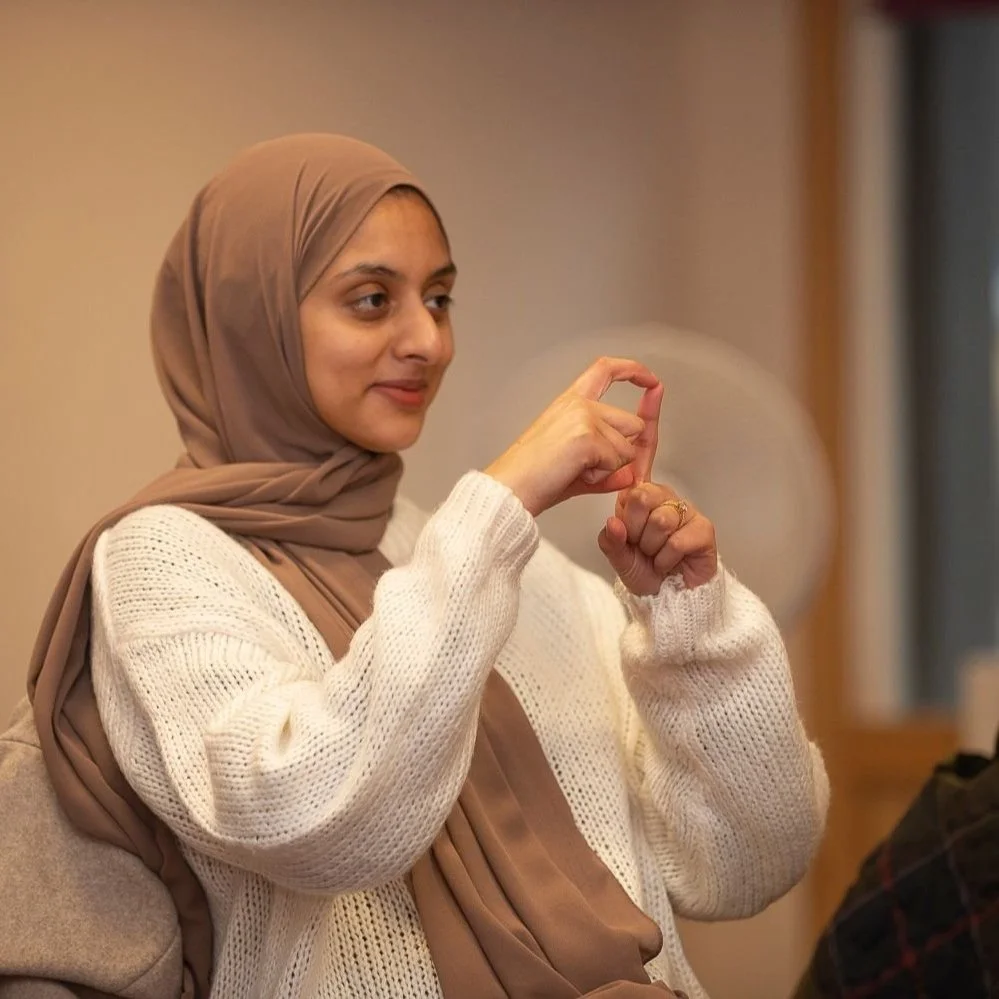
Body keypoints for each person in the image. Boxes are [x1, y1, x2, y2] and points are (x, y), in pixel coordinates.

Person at [16, 134, 828, 999]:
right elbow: (318, 821)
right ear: (249, 318)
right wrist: (501, 505)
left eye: (438, 298)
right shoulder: (162, 558)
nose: (427, 341)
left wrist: (688, 620)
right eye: (371, 301)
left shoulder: (493, 567)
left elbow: (744, 865)